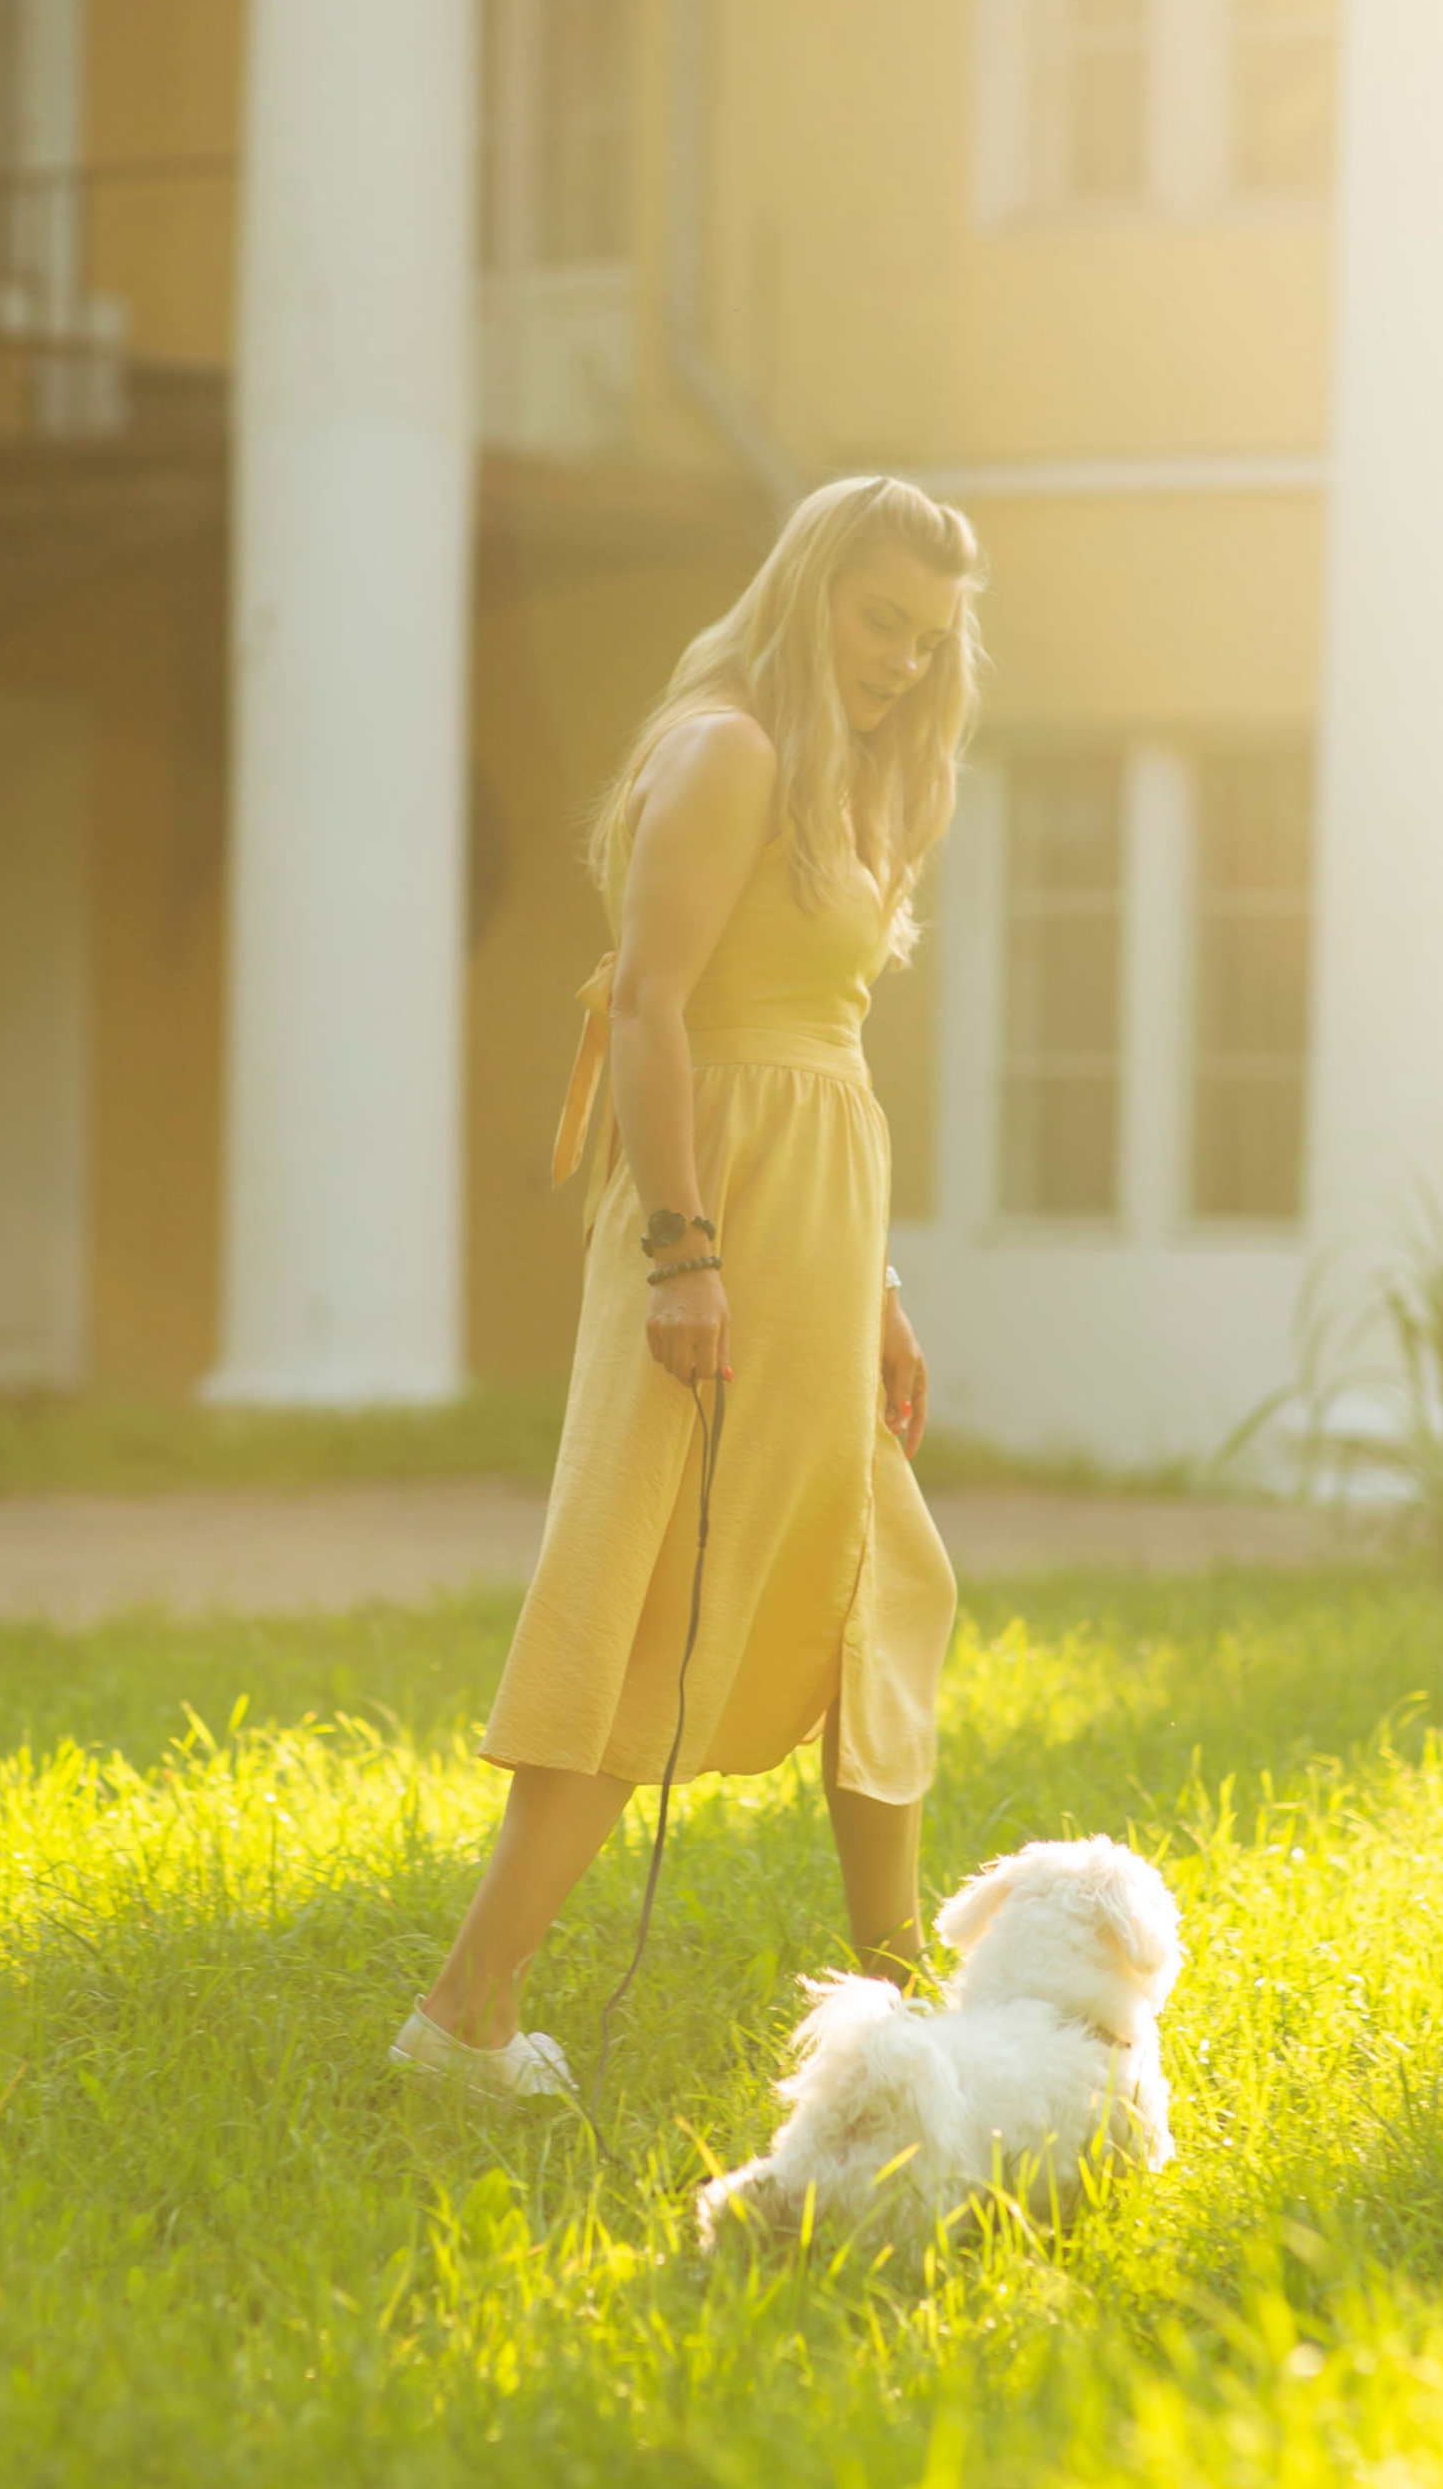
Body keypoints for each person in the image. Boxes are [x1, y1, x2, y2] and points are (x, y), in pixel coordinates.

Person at [392, 475, 987, 2097]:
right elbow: (655, 1009)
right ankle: (462, 2016)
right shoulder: (731, 749)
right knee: (641, 1603)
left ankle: (900, 1995)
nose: (901, 661)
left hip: (813, 1230)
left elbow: (824, 1039)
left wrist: (872, 1290)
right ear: (810, 592)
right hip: (714, 1218)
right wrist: (684, 1252)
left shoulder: (845, 776)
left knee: (880, 1582)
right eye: (880, 620)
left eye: (928, 642)